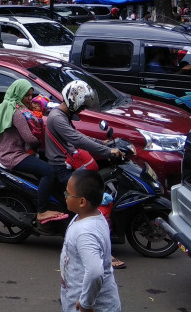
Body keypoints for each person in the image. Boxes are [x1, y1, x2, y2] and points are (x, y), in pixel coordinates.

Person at [45, 80, 126, 270]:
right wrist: (107, 152)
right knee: (87, 203)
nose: (81, 110)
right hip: (61, 168)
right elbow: (77, 139)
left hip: (68, 163)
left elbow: (78, 136)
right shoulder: (57, 117)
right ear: (74, 101)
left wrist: (104, 144)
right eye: (81, 106)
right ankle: (96, 248)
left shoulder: (62, 115)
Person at [0, 79, 65, 224]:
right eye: (26, 95)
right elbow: (29, 139)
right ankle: (42, 211)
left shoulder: (10, 106)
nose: (30, 99)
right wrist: (40, 141)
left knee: (50, 161)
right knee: (48, 171)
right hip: (13, 155)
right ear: (19, 94)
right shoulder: (17, 112)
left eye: (31, 95)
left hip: (10, 151)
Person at [60, 169, 122, 312]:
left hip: (93, 306)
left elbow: (95, 271)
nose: (65, 196)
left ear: (82, 202)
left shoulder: (85, 232)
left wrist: (86, 303)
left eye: (67, 194)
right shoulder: (91, 216)